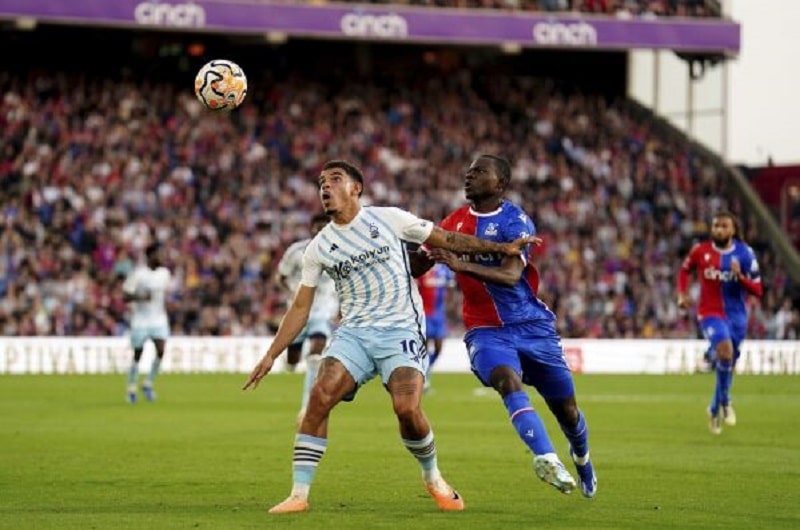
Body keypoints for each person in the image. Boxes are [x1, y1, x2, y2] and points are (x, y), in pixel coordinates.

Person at [243, 159, 536, 514]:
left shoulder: (389, 219)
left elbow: (447, 239)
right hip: (354, 332)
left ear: (356, 188)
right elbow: (300, 307)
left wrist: (502, 249)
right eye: (321, 182)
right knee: (319, 398)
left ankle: (433, 477)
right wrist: (272, 354)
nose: (325, 187)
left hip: (401, 329)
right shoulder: (318, 247)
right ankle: (299, 494)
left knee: (407, 409)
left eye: (335, 179)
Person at [422, 154, 597, 499]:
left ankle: (582, 458)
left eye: (479, 171)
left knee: (567, 409)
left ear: (500, 184)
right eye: (469, 170)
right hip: (485, 330)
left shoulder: (515, 221)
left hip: (531, 326)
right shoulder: (453, 222)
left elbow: (510, 275)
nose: (469, 175)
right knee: (506, 379)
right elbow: (425, 255)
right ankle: (547, 457)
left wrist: (460, 265)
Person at [677, 211, 763, 434]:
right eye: (716, 226)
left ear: (733, 229)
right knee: (725, 352)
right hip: (709, 312)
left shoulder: (745, 254)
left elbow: (758, 289)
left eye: (724, 226)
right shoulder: (701, 251)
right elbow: (684, 271)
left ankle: (715, 408)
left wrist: (740, 276)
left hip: (737, 317)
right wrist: (681, 294)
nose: (719, 230)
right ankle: (726, 401)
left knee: (728, 362)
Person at [275, 212, 340, 422]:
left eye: (325, 226)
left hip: (323, 311)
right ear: (311, 228)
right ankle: (290, 360)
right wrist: (292, 296)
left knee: (315, 354)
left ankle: (306, 409)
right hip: (299, 311)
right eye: (317, 226)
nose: (321, 230)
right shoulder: (296, 251)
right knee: (293, 360)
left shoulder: (340, 252)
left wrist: (341, 308)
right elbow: (281, 277)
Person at [122, 244, 172, 404]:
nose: (162, 257)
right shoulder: (138, 274)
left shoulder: (164, 273)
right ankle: (131, 387)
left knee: (161, 350)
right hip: (140, 320)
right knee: (138, 354)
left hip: (159, 319)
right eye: (159, 254)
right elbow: (125, 296)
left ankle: (148, 383)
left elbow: (164, 294)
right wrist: (141, 297)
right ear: (150, 256)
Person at [416, 262, 455, 392]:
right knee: (425, 349)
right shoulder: (423, 268)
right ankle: (424, 378)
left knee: (439, 348)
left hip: (439, 315)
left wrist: (448, 307)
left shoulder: (444, 270)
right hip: (425, 314)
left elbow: (451, 289)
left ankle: (425, 370)